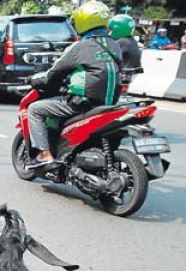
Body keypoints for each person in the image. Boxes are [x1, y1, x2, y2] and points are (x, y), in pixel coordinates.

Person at [26, 1, 121, 171]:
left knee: (34, 109)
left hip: (82, 104)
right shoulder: (115, 46)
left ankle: (44, 155)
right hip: (109, 103)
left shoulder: (79, 47)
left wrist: (34, 80)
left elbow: (53, 74)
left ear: (83, 22)